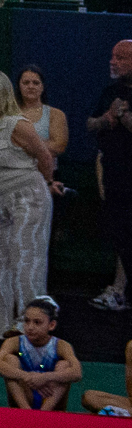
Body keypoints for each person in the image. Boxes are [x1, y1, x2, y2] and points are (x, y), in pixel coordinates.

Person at [0, 68, 60, 338]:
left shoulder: (16, 123)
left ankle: (32, 324)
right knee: (4, 260)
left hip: (28, 195)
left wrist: (46, 184)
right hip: (2, 198)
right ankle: (8, 326)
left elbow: (45, 156)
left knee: (27, 261)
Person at [88, 40, 132, 313]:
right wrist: (106, 118)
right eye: (112, 56)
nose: (113, 62)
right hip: (114, 177)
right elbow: (90, 124)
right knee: (121, 236)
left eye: (121, 58)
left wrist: (123, 113)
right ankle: (118, 291)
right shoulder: (110, 91)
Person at [0, 296, 82, 410]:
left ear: (51, 325)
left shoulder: (61, 345)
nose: (30, 327)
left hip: (51, 399)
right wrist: (27, 376)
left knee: (65, 365)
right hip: (25, 396)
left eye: (37, 322)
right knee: (10, 360)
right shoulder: (14, 342)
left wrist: (45, 377)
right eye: (27, 321)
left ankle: (44, 412)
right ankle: (27, 411)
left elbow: (77, 372)